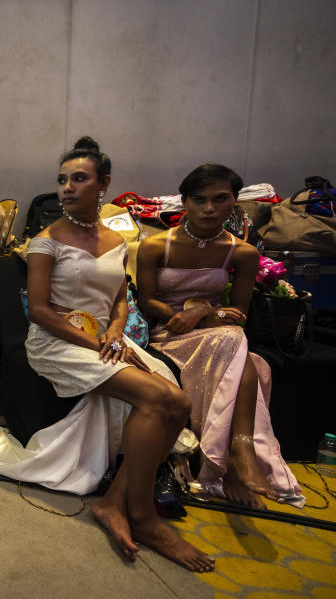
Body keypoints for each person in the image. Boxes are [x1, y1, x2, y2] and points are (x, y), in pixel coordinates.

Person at [24, 137, 213, 572]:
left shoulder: (115, 239)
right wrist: (99, 344)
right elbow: (39, 312)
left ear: (104, 184)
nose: (67, 187)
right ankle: (143, 516)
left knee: (180, 403)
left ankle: (114, 502)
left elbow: (120, 299)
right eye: (62, 180)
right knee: (156, 398)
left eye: (79, 178)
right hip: (58, 342)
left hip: (104, 337)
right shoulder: (44, 241)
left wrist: (114, 330)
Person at [137, 164, 304, 508]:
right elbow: (146, 301)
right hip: (168, 334)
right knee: (243, 354)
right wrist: (178, 316)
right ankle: (236, 456)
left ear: (234, 203)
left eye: (220, 199)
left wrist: (202, 313)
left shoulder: (242, 252)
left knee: (251, 358)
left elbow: (240, 312)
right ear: (184, 202)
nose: (209, 208)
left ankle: (232, 457)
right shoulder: (155, 246)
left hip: (216, 332)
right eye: (199, 200)